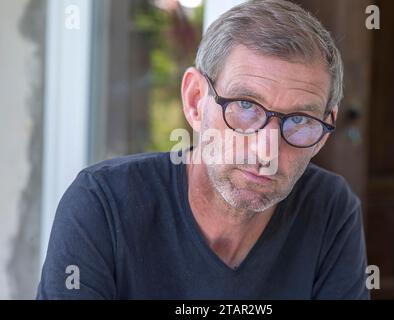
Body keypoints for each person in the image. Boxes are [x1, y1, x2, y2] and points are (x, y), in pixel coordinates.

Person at [37, 0, 369, 299]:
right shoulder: (103, 205)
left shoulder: (330, 210)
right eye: (245, 105)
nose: (267, 150)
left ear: (325, 130)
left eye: (299, 120)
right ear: (196, 101)